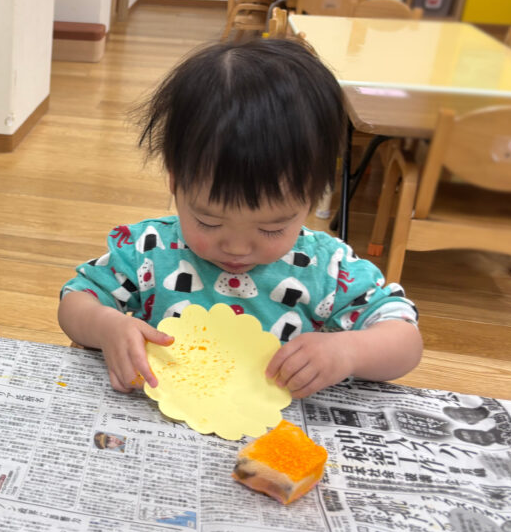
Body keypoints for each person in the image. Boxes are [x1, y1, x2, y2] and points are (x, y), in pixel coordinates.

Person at [58, 39, 422, 399]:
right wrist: (107, 326)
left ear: (311, 197)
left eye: (271, 227)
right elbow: (76, 301)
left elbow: (405, 340)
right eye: (208, 221)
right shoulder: (149, 252)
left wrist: (350, 351)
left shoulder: (329, 270)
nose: (236, 247)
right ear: (175, 180)